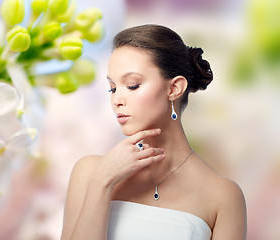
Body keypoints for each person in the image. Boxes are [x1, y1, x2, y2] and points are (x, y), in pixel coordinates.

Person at [61, 24, 247, 240]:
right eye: (112, 88)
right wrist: (102, 182)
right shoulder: (90, 172)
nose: (116, 100)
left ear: (174, 88)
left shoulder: (223, 197)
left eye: (132, 85)